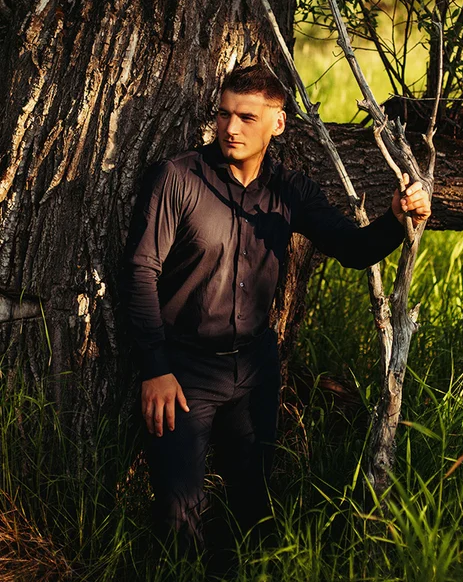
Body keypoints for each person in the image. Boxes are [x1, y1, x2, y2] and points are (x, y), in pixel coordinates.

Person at [120, 64, 431, 559]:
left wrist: (397, 218)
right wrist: (155, 368)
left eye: (246, 117)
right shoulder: (178, 178)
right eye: (224, 114)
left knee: (253, 511)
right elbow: (141, 270)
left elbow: (353, 249)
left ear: (278, 123)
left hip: (256, 369)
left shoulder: (290, 190)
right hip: (183, 372)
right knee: (178, 518)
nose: (230, 128)